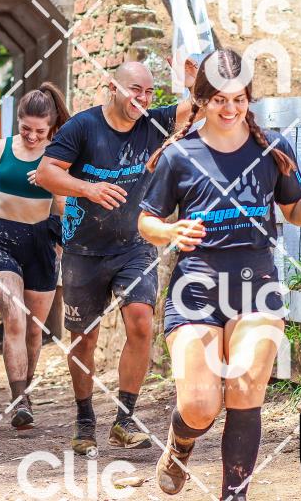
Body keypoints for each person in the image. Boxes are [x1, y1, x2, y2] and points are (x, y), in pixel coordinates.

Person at [137, 48, 301, 499]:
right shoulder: (179, 155)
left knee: (246, 387)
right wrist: (170, 231)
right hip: (196, 291)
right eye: (220, 100)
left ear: (249, 98)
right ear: (202, 99)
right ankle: (180, 443)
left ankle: (234, 495)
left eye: (239, 99)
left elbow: (294, 210)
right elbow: (146, 222)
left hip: (256, 288)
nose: (230, 109)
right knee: (200, 405)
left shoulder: (271, 148)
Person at [35, 62, 192, 455]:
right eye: (135, 90)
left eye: (149, 92)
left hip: (135, 245)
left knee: (140, 321)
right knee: (84, 339)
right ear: (112, 87)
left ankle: (124, 420)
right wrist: (88, 189)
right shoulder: (83, 127)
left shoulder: (153, 123)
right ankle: (84, 419)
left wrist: (196, 84)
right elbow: (47, 173)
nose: (142, 99)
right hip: (83, 250)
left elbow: (201, 108)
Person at [0, 83, 69, 429]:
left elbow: (67, 206)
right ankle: (19, 400)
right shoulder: (0, 148)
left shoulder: (58, 156)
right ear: (18, 122)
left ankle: (26, 392)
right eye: (26, 129)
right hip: (2, 241)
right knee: (15, 317)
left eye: (40, 131)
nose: (32, 136)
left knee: (34, 331)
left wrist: (51, 182)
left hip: (42, 244)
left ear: (51, 127)